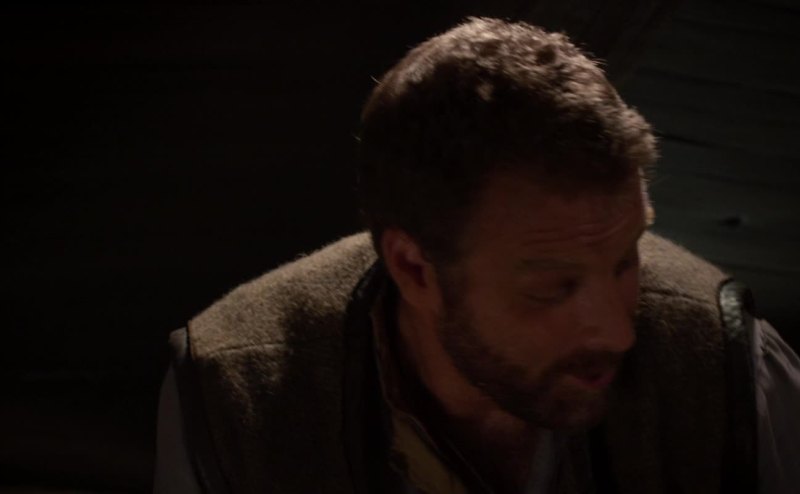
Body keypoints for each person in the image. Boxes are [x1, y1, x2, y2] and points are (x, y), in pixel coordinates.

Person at [154, 17, 800, 494]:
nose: (617, 331)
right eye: (553, 288)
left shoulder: (728, 364)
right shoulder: (235, 394)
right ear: (414, 270)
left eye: (626, 260)